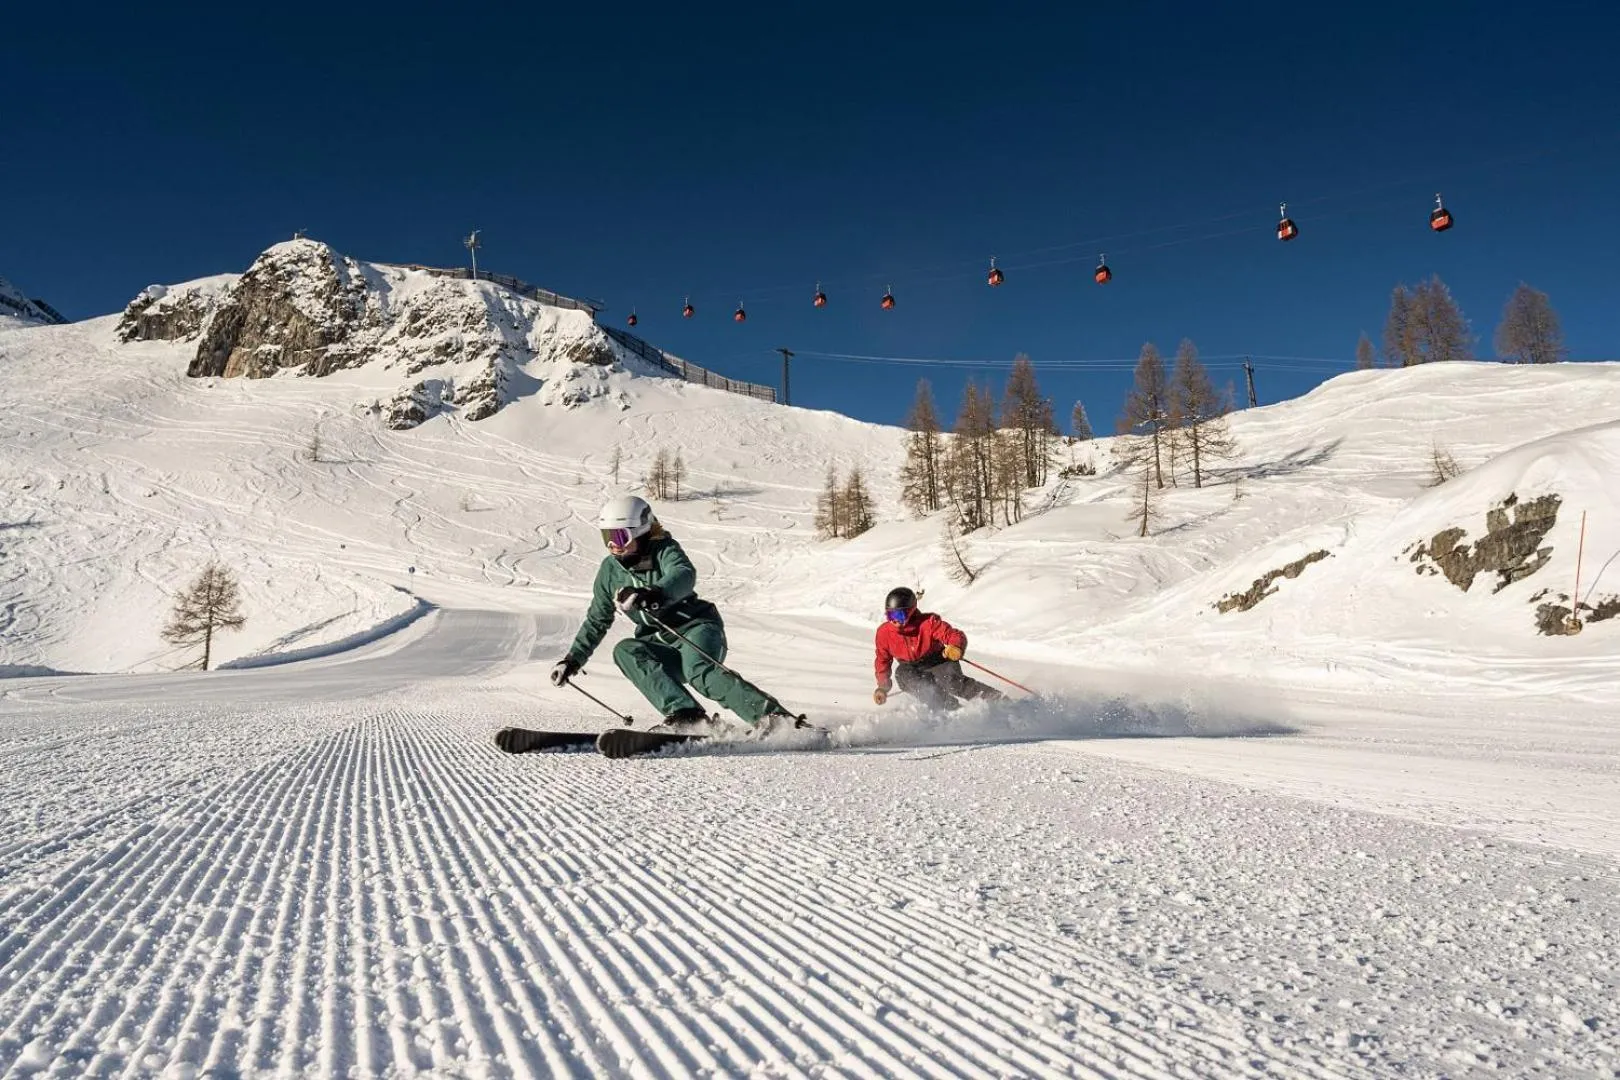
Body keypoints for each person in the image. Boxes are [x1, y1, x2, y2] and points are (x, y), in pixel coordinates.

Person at [552, 495, 800, 732]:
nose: (613, 545)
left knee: (700, 672)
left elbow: (684, 574)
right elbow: (597, 619)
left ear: (641, 531)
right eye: (606, 537)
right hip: (658, 641)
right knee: (626, 650)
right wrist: (572, 660)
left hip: (695, 628)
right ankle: (687, 715)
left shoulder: (664, 550)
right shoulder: (609, 571)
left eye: (619, 536)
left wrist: (654, 593)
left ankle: (775, 720)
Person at [872, 587, 1002, 710]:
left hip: (938, 661)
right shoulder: (884, 633)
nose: (895, 620)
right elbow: (882, 661)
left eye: (899, 615)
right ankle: (950, 710)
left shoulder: (928, 623)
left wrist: (955, 647)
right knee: (905, 675)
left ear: (911, 611)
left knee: (952, 683)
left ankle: (997, 700)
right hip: (912, 668)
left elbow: (954, 635)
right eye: (890, 616)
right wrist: (882, 687)